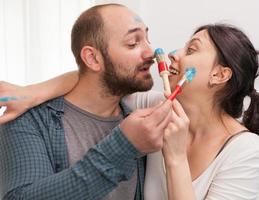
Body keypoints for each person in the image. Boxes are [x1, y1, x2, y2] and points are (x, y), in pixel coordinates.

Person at [1, 15, 259, 200]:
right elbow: (97, 80)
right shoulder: (152, 107)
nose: (170, 54)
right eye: (134, 43)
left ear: (219, 75)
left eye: (191, 49)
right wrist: (30, 93)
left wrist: (176, 157)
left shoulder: (247, 153)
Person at [0, 4, 173, 200]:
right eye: (133, 43)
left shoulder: (142, 111)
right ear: (92, 58)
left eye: (147, 39)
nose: (150, 52)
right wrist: (124, 146)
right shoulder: (28, 121)